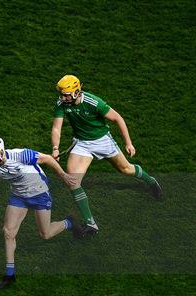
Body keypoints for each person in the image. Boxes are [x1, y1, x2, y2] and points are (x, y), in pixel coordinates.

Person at [0, 135, 80, 290]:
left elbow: (47, 159)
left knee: (45, 234)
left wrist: (63, 175)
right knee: (8, 232)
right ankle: (9, 275)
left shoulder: (21, 155)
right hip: (18, 197)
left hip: (40, 194)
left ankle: (69, 222)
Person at [51, 75, 162, 236]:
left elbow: (118, 118)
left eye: (66, 94)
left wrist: (128, 143)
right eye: (61, 94)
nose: (62, 97)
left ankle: (150, 181)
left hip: (102, 141)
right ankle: (91, 224)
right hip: (81, 144)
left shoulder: (94, 102)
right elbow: (56, 128)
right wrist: (55, 147)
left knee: (126, 169)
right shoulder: (61, 104)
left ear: (76, 92)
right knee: (73, 182)